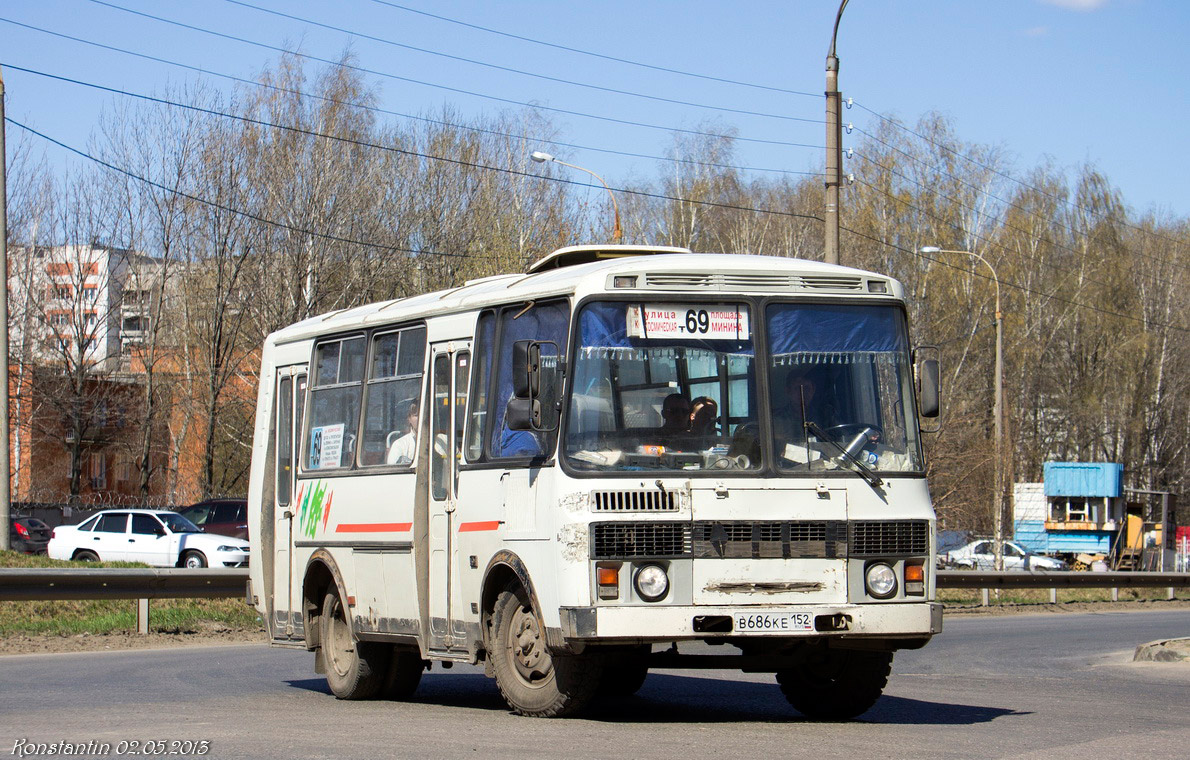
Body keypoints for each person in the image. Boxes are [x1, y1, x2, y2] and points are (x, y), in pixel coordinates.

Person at [773, 368, 836, 447]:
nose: (802, 393)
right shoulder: (777, 420)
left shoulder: (826, 415)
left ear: (813, 390)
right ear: (788, 391)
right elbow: (778, 448)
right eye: (797, 388)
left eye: (806, 388)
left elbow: (839, 440)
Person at [386, 398, 420, 466]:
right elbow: (392, 471)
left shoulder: (443, 440)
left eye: (423, 414)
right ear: (409, 419)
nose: (420, 418)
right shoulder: (400, 444)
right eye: (416, 415)